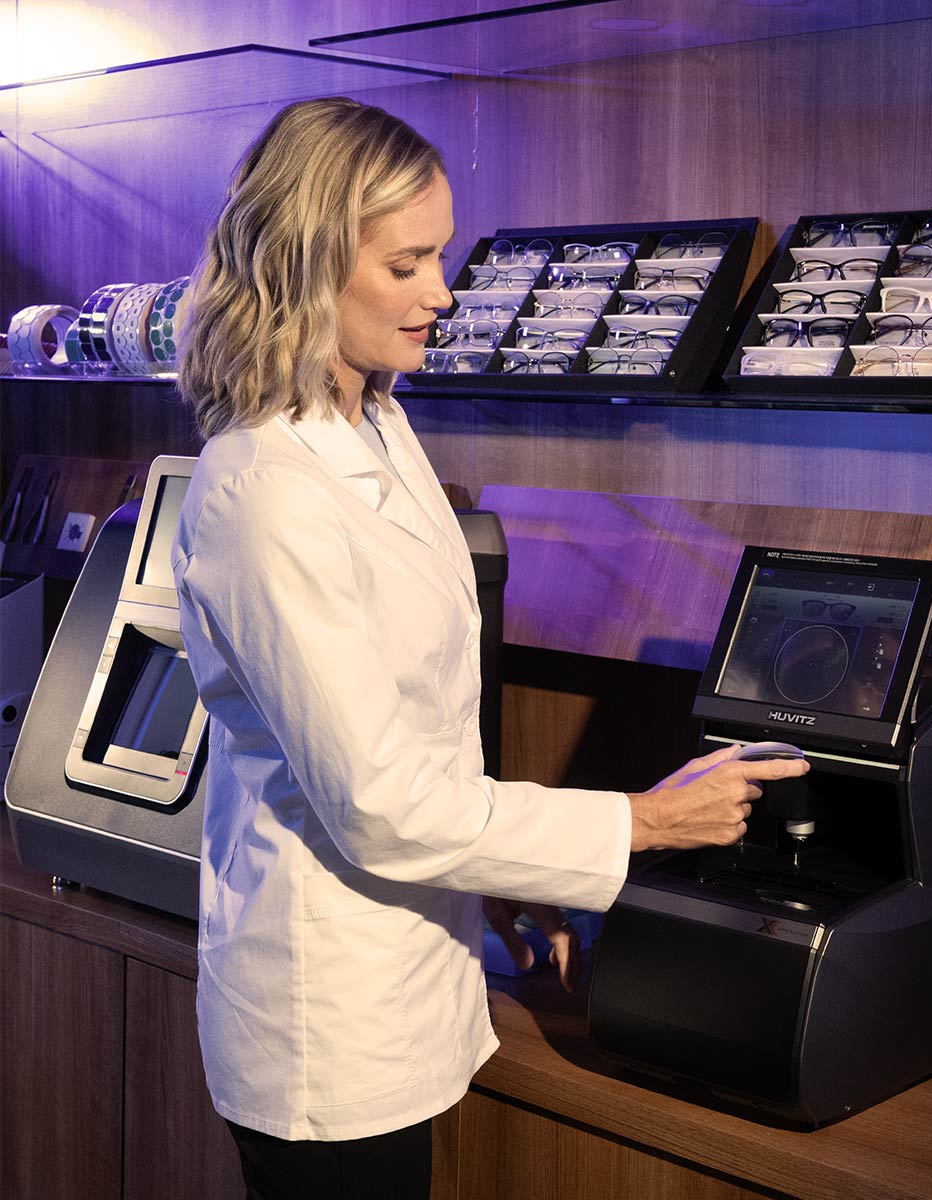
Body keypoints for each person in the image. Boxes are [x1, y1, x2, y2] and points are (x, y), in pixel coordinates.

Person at [172, 96, 808, 1200]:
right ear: (308, 266)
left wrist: (500, 882)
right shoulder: (266, 490)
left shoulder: (377, 420)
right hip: (328, 1021)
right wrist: (645, 823)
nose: (443, 292)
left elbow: (412, 732)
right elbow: (381, 804)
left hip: (407, 973)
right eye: (406, 264)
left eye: (441, 256)